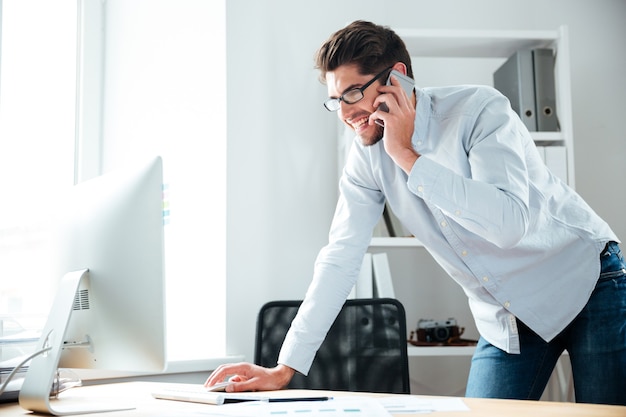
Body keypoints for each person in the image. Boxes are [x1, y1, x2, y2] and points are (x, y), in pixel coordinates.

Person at [206, 20, 625, 405]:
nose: (348, 113)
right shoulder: (365, 159)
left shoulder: (479, 111)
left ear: (397, 77)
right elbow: (340, 257)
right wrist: (286, 368)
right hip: (507, 315)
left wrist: (407, 156)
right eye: (336, 100)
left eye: (354, 93)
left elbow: (509, 225)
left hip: (585, 280)